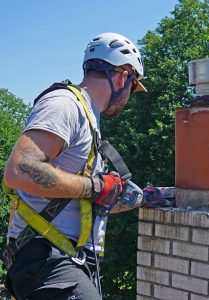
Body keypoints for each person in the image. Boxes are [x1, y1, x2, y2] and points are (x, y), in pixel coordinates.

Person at [2, 32, 147, 300]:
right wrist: (95, 187)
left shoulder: (89, 117)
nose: (130, 96)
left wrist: (129, 196)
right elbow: (19, 170)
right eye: (133, 86)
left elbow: (77, 195)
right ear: (123, 77)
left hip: (63, 258)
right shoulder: (64, 105)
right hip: (44, 257)